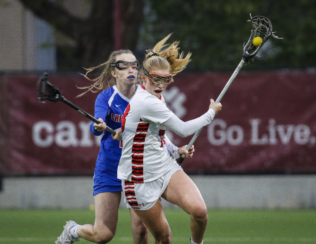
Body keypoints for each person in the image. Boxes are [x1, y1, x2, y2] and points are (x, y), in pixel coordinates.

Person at [112, 34, 222, 244]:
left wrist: (175, 150)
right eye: (156, 78)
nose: (161, 84)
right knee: (163, 238)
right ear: (144, 78)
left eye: (166, 79)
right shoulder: (147, 101)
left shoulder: (156, 97)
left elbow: (156, 135)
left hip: (164, 167)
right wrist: (211, 113)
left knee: (199, 211)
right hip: (138, 180)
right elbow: (182, 128)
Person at [56, 50, 149, 244]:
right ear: (114, 72)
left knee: (141, 230)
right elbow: (96, 126)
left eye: (134, 64)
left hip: (138, 169)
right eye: (124, 65)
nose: (131, 68)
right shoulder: (106, 97)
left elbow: (157, 130)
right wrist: (98, 125)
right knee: (103, 235)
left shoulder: (146, 97)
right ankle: (73, 230)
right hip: (110, 168)